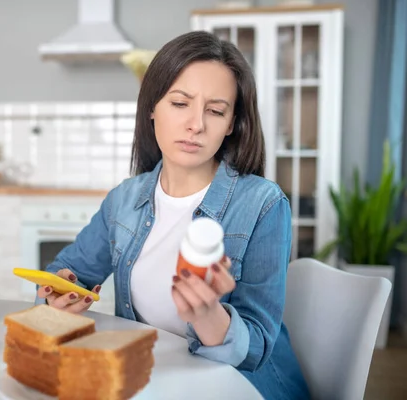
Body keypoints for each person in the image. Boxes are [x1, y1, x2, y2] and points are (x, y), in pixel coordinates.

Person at [34, 30, 310, 400]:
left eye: (215, 110)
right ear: (152, 107)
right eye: (180, 104)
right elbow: (67, 272)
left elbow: (257, 347)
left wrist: (208, 313)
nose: (196, 124)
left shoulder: (262, 204)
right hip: (155, 383)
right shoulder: (124, 200)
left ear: (230, 124)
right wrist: (57, 295)